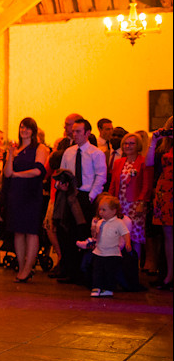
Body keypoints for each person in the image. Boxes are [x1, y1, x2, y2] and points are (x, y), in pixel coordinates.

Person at [58, 118, 107, 285]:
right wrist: (62, 185)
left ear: (87, 133)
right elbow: (62, 172)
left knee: (84, 233)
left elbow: (101, 176)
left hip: (86, 195)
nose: (75, 134)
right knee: (68, 232)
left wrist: (91, 196)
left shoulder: (96, 153)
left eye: (79, 131)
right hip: (70, 194)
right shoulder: (69, 152)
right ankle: (70, 271)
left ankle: (83, 272)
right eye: (73, 131)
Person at [4, 117, 49, 283]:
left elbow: (38, 170)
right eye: (22, 127)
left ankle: (28, 268)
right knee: (18, 231)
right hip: (16, 192)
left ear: (33, 130)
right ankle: (21, 265)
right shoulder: (16, 149)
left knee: (31, 231)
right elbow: (7, 173)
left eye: (28, 128)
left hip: (31, 193)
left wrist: (18, 175)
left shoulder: (40, 148)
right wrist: (9, 155)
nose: (24, 130)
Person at [108, 133, 151, 267]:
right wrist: (108, 201)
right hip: (119, 203)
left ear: (138, 145)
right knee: (118, 234)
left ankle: (134, 266)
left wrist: (142, 202)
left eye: (132, 143)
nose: (128, 146)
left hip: (135, 204)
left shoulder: (143, 162)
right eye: (126, 143)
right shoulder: (118, 162)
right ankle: (119, 266)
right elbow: (113, 184)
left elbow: (146, 184)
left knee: (135, 236)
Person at [78, 194, 130, 298]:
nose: (101, 212)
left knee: (110, 272)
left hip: (112, 253)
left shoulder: (119, 223)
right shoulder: (100, 222)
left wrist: (127, 243)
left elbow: (126, 233)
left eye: (104, 210)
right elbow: (97, 236)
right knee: (97, 270)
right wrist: (94, 233)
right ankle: (96, 286)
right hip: (99, 252)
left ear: (114, 211)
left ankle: (108, 288)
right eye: (100, 210)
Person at [146, 119, 173, 290]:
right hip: (165, 191)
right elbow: (149, 163)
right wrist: (153, 141)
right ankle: (169, 275)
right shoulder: (164, 146)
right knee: (168, 237)